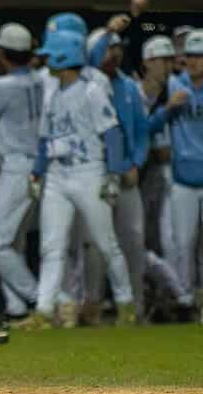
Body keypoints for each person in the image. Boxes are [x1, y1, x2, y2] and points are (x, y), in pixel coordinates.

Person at [22, 30, 136, 329]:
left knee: (105, 243)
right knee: (52, 246)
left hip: (89, 172)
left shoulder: (90, 90)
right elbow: (46, 139)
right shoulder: (54, 91)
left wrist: (113, 173)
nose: (46, 60)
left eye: (51, 55)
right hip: (59, 175)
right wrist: (38, 171)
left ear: (65, 57)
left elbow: (112, 134)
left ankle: (126, 305)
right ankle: (44, 310)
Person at [0, 22, 42, 321]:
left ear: (5, 54)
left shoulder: (3, 85)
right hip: (36, 166)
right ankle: (16, 308)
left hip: (16, 166)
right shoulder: (41, 80)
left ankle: (39, 297)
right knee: (12, 242)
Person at [85, 29, 149, 319]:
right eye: (108, 49)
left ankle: (136, 304)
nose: (114, 54)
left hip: (126, 175)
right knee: (97, 244)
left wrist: (135, 162)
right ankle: (93, 304)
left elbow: (141, 131)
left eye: (118, 49)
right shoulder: (85, 86)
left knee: (134, 240)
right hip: (96, 173)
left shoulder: (130, 87)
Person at [138, 36, 194, 316]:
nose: (167, 65)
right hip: (147, 173)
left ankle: (181, 297)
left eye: (170, 60)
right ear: (148, 62)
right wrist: (166, 110)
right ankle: (170, 294)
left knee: (174, 239)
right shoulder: (137, 92)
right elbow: (141, 131)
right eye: (162, 60)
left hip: (177, 171)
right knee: (149, 242)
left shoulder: (179, 86)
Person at [149, 30, 203, 322]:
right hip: (183, 178)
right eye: (191, 56)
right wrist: (168, 109)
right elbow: (150, 125)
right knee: (183, 243)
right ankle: (187, 299)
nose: (194, 62)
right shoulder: (173, 86)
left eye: (200, 56)